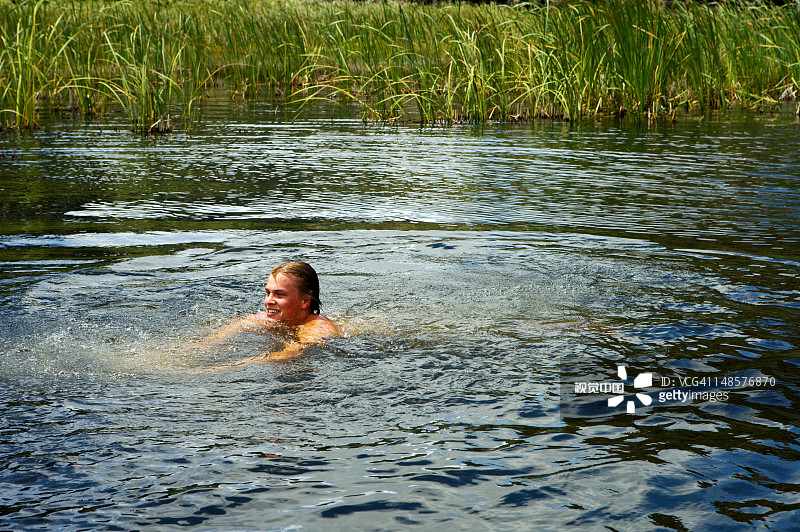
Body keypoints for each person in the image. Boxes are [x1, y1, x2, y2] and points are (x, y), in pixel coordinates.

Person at [205, 261, 340, 364]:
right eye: (268, 293)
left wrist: (229, 367)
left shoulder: (319, 328)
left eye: (279, 295)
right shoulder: (262, 319)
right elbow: (214, 340)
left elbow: (296, 352)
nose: (268, 301)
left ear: (305, 302)